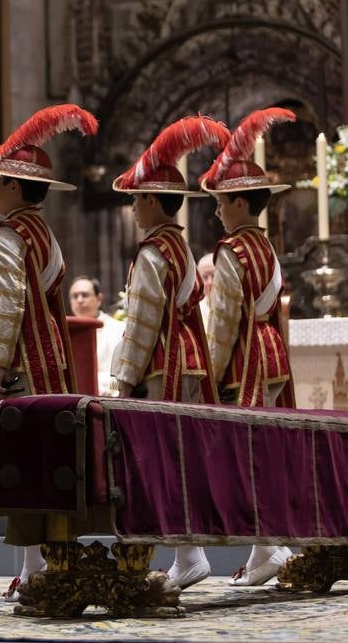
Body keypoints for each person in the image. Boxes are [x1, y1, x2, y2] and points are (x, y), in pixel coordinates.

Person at [0, 104, 97, 601]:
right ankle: (50, 560)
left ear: (14, 189)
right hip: (53, 355)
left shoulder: (8, 234)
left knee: (23, 459)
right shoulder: (45, 232)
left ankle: (32, 569)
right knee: (53, 456)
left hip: (24, 355)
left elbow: (6, 302)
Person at [111, 116, 226, 590]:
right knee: (182, 455)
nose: (134, 208)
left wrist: (123, 376)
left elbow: (140, 322)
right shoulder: (179, 245)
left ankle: (189, 553)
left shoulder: (153, 253)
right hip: (189, 356)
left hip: (163, 363)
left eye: (138, 199)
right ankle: (188, 552)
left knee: (163, 457)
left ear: (155, 201)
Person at [200, 108, 298, 587]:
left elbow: (222, 323)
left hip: (245, 361)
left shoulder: (232, 251)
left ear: (240, 202)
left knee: (250, 456)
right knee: (269, 452)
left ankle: (268, 545)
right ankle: (270, 541)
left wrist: (213, 373)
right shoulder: (267, 248)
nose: (217, 209)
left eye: (221, 200)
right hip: (273, 353)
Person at [68, 276, 123, 396]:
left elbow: (120, 380)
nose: (80, 300)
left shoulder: (118, 329)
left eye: (85, 295)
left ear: (99, 299)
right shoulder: (64, 334)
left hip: (108, 400)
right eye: (75, 296)